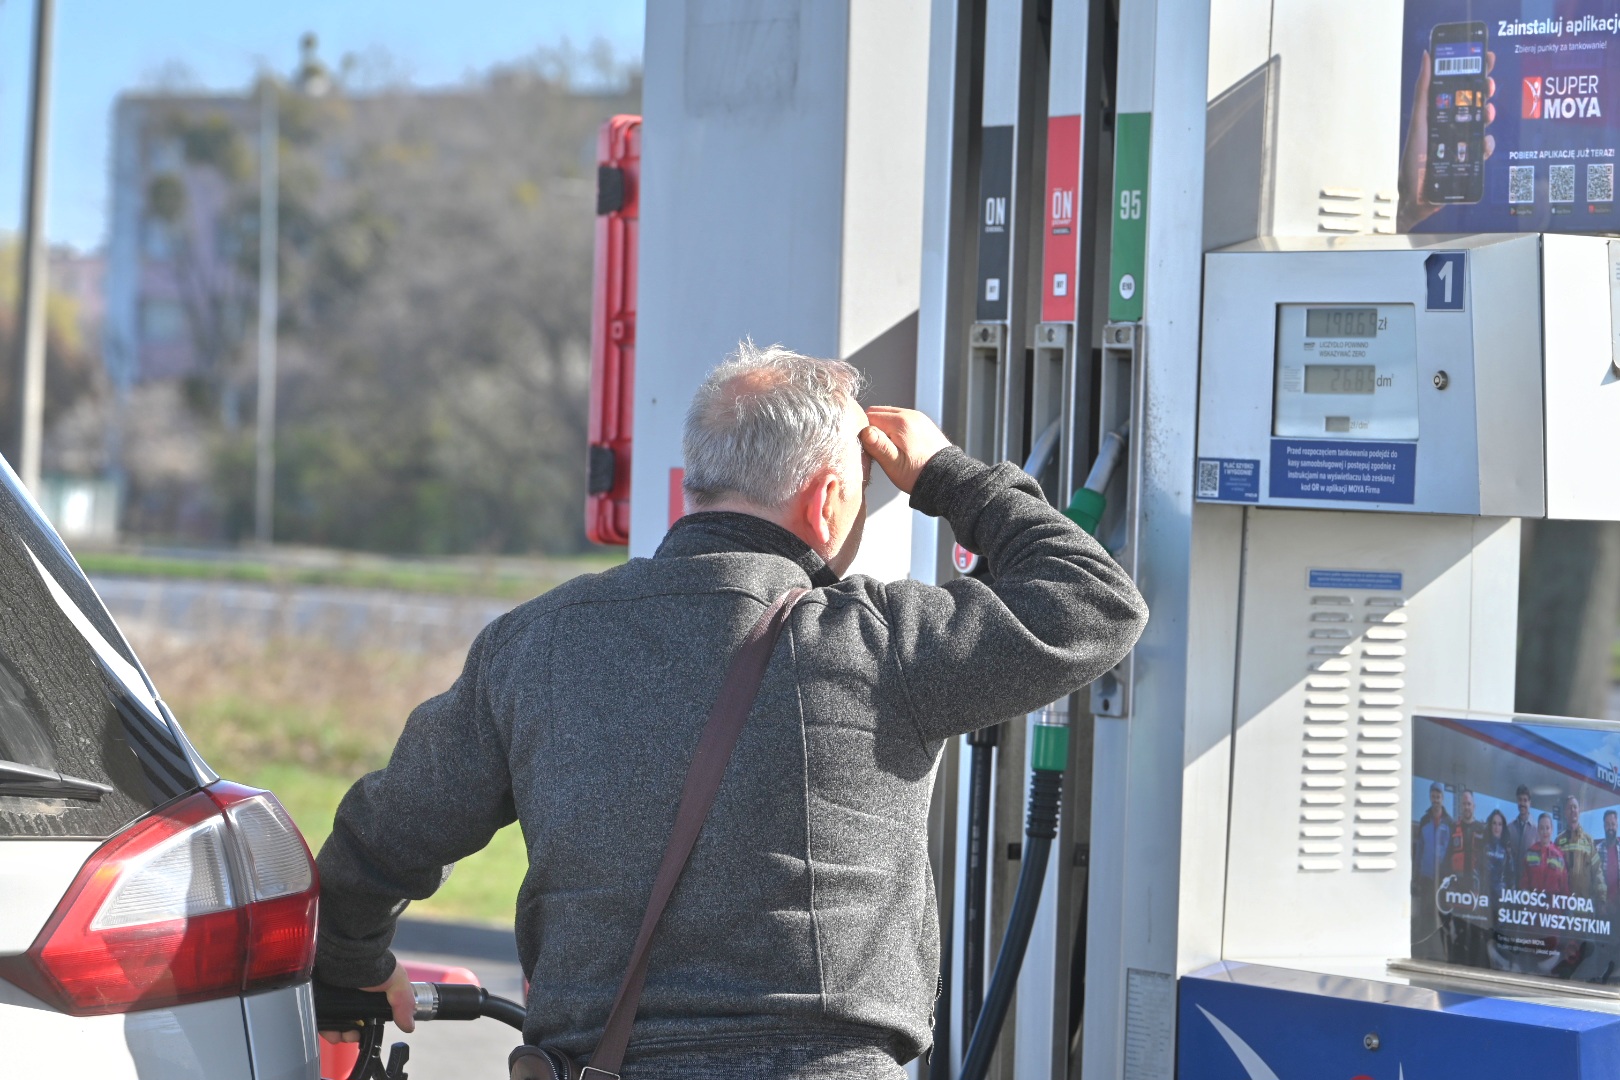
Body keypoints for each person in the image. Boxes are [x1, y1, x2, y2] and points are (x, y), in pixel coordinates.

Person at [310, 342, 1150, 1078]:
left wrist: (353, 964)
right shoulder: (877, 641)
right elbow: (1094, 604)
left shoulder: (534, 643)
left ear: (694, 483)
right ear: (826, 501)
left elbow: (380, 840)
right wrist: (945, 476)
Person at [1412, 782, 1453, 958]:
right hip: (1427, 878)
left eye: (1439, 796)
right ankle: (1423, 953)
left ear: (1443, 798)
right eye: (1433, 796)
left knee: (1441, 918)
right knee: (1426, 915)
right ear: (1430, 797)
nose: (1436, 799)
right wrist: (1416, 877)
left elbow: (1452, 853)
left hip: (1443, 881)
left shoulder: (1450, 823)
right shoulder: (1424, 821)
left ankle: (1440, 954)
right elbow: (1419, 851)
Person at [1556, 794, 1606, 909]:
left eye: (1575, 807)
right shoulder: (1558, 841)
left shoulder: (1588, 841)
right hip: (1564, 903)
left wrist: (1601, 899)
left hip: (1585, 904)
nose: (1572, 810)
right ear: (1565, 812)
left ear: (1579, 811)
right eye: (1569, 808)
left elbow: (1597, 872)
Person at [1507, 784, 1536, 882]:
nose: (1522, 803)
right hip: (1512, 882)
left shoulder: (1537, 830)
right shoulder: (1509, 828)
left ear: (1530, 803)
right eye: (1520, 800)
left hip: (1530, 884)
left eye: (1525, 800)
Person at [1597, 810, 1620, 923]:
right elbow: (1594, 880)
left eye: (1613, 824)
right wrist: (1601, 903)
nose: (1610, 827)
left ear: (1617, 825)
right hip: (1603, 909)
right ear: (1603, 826)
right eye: (1607, 824)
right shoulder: (1597, 850)